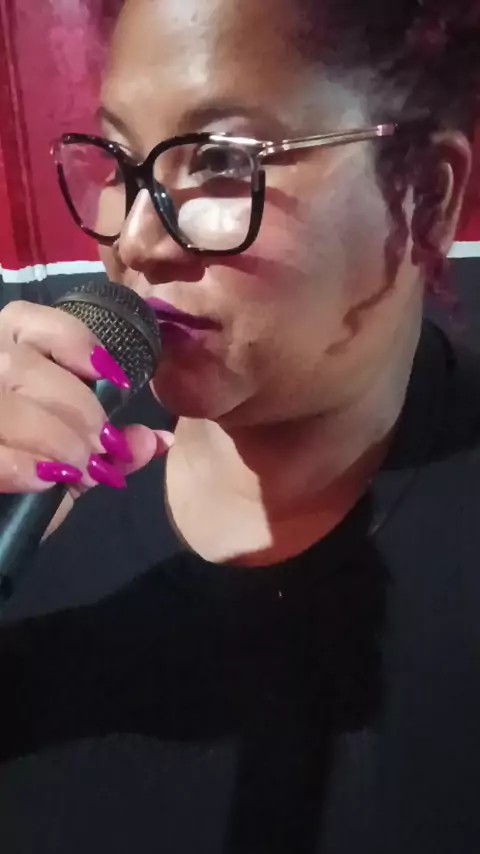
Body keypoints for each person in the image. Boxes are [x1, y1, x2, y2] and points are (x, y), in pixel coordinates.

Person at [1, 0, 480, 851]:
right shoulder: (31, 472)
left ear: (424, 197)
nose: (136, 240)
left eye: (222, 162)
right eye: (120, 159)